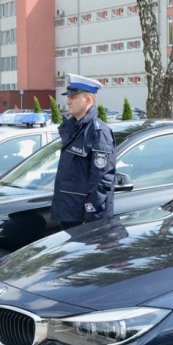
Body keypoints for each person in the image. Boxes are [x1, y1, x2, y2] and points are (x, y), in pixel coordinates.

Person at [51, 73, 116, 230]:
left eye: (73, 96)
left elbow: (101, 180)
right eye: (68, 96)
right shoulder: (74, 129)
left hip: (85, 219)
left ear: (88, 99)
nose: (68, 101)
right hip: (69, 214)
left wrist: (90, 216)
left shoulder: (99, 132)